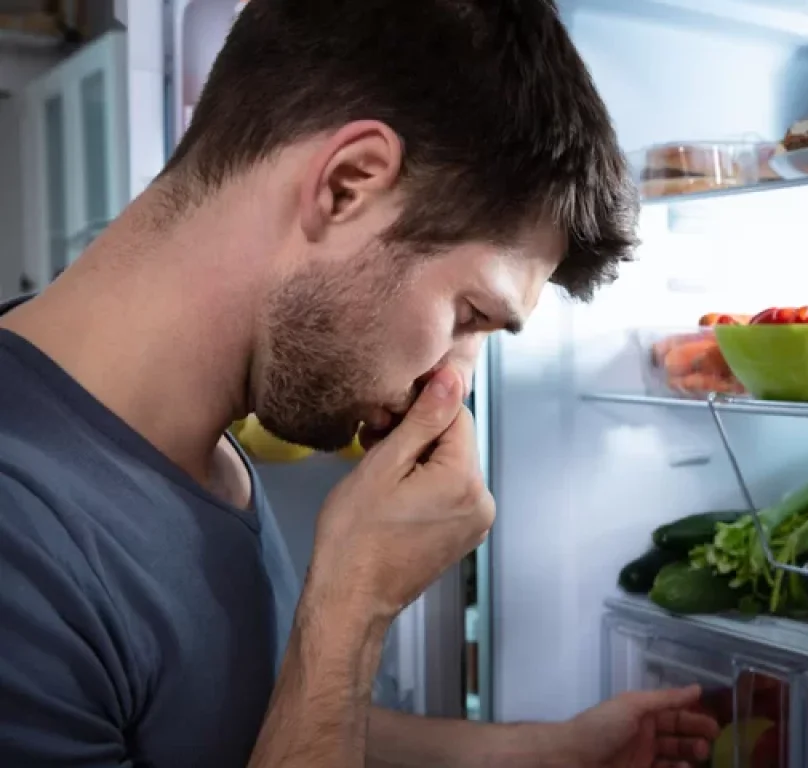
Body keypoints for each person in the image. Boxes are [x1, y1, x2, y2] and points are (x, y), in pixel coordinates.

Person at [0, 1, 720, 766]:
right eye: (470, 313)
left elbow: (256, 722)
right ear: (346, 186)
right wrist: (352, 606)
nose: (454, 382)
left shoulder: (207, 443)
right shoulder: (22, 541)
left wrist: (549, 752)